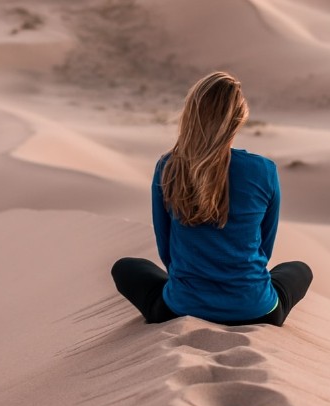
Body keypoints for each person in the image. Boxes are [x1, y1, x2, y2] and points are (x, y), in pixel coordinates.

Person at [111, 72, 312, 327]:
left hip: (181, 307)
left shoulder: (169, 167)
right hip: (256, 309)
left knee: (127, 268)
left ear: (190, 115)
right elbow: (264, 247)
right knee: (299, 269)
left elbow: (166, 249)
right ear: (239, 119)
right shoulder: (264, 170)